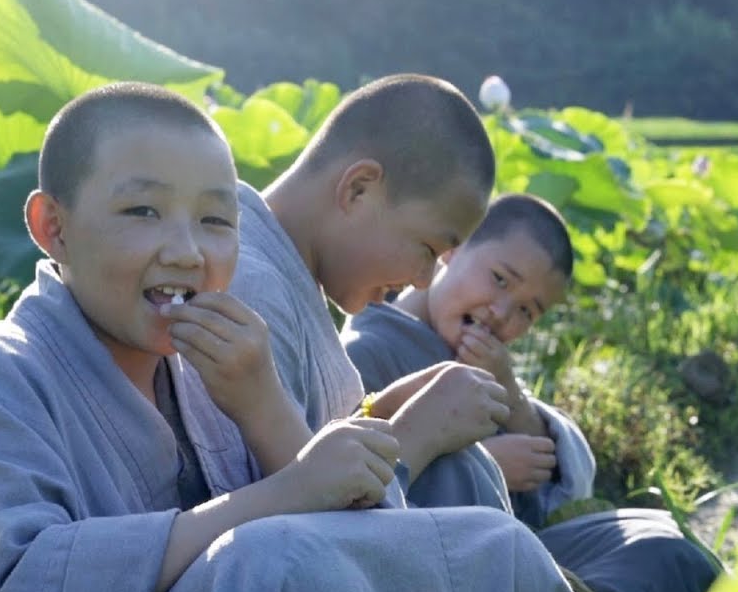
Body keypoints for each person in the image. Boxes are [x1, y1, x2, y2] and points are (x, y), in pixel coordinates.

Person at [0, 82, 588, 592]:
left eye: (217, 221)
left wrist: (264, 409)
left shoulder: (207, 370)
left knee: (504, 555)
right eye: (143, 213)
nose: (188, 251)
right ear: (53, 227)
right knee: (271, 562)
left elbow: (353, 538)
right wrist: (280, 492)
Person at [341, 192, 722, 592]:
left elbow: (567, 477)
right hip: (444, 575)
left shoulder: (484, 359)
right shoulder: (368, 351)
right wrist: (485, 464)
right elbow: (348, 491)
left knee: (663, 544)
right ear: (452, 249)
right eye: (500, 280)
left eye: (527, 310)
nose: (502, 313)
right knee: (630, 590)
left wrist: (513, 397)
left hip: (524, 547)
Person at [195, 72, 519, 508]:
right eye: (427, 249)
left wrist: (379, 412)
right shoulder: (248, 285)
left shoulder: (289, 274)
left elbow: (294, 452)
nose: (424, 281)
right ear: (358, 189)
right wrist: (418, 432)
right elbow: (260, 527)